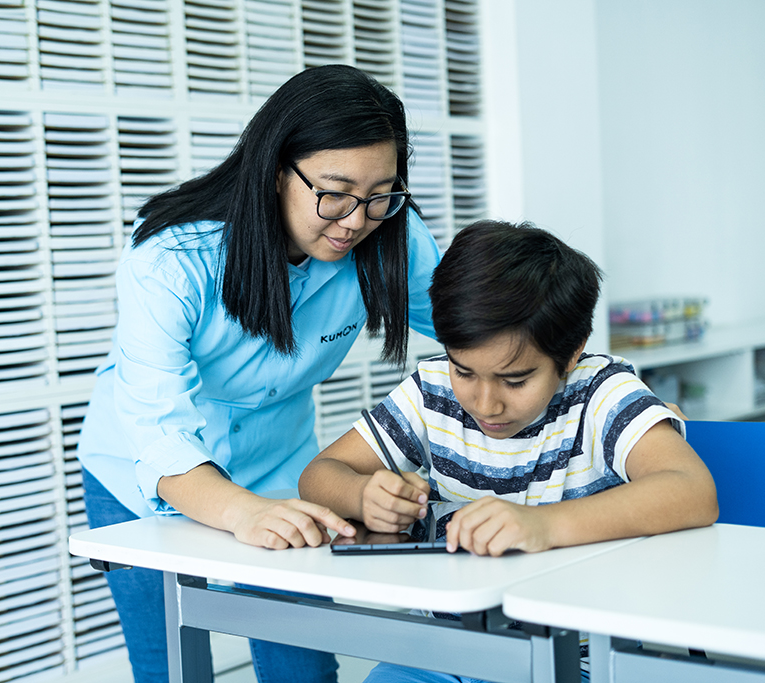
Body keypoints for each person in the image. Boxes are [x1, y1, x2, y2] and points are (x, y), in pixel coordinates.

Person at [76, 64, 443, 683]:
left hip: (278, 470)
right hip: (140, 471)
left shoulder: (390, 233)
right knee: (167, 667)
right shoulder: (172, 258)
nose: (356, 220)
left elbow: (477, 329)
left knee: (302, 667)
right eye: (335, 191)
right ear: (277, 171)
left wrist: (582, 381)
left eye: (380, 194)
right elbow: (157, 425)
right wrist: (239, 511)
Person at [298, 219, 719, 683]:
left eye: (515, 380)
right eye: (465, 371)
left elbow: (692, 491)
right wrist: (364, 496)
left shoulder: (602, 394)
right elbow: (321, 474)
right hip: (443, 650)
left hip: (577, 659)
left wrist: (542, 525)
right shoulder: (433, 390)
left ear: (572, 352)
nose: (485, 403)